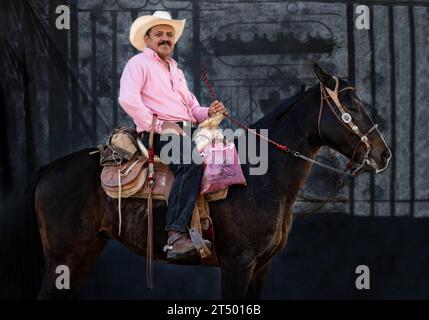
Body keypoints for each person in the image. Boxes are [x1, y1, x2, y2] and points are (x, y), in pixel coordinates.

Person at [118, 11, 227, 261]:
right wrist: (160, 124)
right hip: (158, 134)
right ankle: (176, 236)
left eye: (169, 34)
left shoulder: (175, 70)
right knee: (191, 163)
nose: (165, 38)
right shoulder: (138, 64)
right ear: (147, 40)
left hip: (186, 130)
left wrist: (208, 111)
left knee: (228, 156)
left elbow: (192, 109)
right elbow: (128, 99)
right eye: (159, 34)